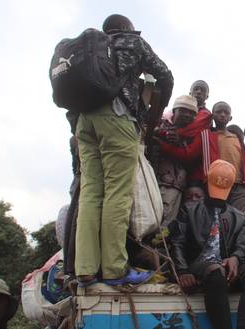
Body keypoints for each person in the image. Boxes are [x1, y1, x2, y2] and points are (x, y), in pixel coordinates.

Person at [75, 14, 173, 286]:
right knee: (118, 193)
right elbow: (165, 76)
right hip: (117, 119)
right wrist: (153, 117)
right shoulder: (133, 43)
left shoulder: (93, 49)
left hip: (85, 122)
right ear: (128, 29)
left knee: (92, 192)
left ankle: (85, 268)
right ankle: (114, 268)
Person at [170, 160, 245, 329]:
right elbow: (178, 241)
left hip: (227, 266)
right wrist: (183, 270)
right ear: (206, 182)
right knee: (216, 271)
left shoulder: (239, 216)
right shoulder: (189, 209)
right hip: (199, 264)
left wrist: (236, 258)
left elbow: (241, 244)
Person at [158, 101, 245, 211]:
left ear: (230, 118)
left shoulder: (237, 138)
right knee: (214, 216)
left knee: (237, 218)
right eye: (218, 112)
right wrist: (163, 146)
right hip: (214, 184)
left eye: (226, 112)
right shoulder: (205, 135)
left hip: (238, 186)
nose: (222, 114)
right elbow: (188, 154)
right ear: (212, 116)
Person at [153, 95, 197, 226]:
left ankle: (158, 245)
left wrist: (180, 143)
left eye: (191, 113)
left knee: (165, 220)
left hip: (174, 185)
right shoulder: (159, 123)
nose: (187, 115)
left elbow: (191, 159)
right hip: (151, 177)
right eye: (183, 110)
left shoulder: (193, 135)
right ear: (174, 110)